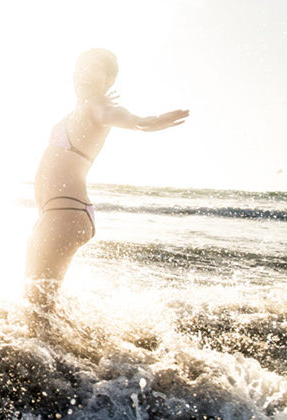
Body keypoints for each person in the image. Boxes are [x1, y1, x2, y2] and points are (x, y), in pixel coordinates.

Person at [24, 48, 189, 314]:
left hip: (65, 212)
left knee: (36, 307)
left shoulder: (99, 106)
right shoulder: (86, 107)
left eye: (93, 69)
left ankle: (63, 356)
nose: (83, 74)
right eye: (80, 68)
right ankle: (80, 351)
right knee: (36, 304)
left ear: (109, 79)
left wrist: (146, 122)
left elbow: (121, 117)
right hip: (58, 213)